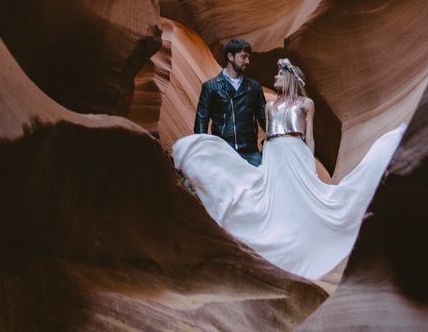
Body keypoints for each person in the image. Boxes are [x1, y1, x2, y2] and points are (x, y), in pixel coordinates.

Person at [173, 57, 406, 280]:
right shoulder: (269, 106)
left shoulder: (306, 104)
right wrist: (265, 159)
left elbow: (310, 138)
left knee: (298, 200)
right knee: (275, 199)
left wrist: (310, 163)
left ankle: (304, 243)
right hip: (274, 153)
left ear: (290, 78)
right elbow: (264, 135)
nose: (275, 76)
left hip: (296, 151)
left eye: (279, 74)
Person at [194, 38, 266, 166]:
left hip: (250, 153)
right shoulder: (211, 87)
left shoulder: (254, 87)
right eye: (243, 57)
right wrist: (203, 150)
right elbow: (201, 120)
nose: (248, 62)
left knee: (258, 185)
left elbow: (264, 118)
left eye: (248, 58)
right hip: (222, 152)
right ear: (230, 56)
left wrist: (277, 140)